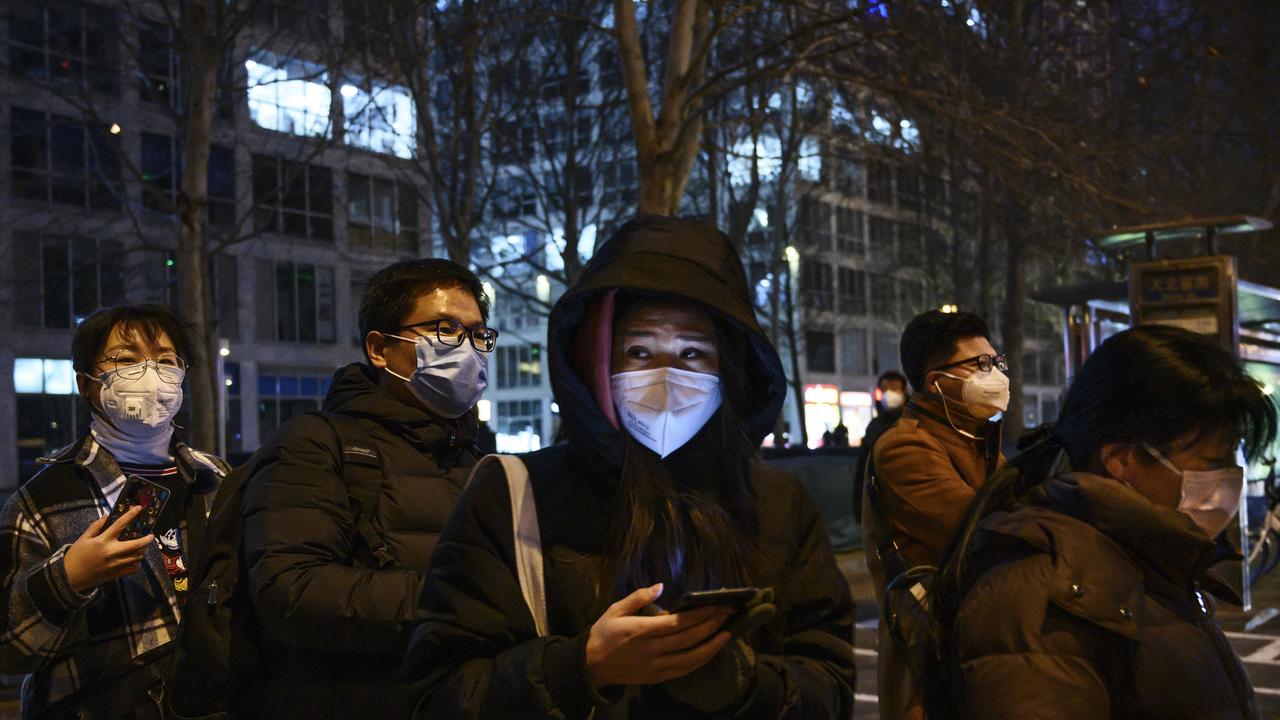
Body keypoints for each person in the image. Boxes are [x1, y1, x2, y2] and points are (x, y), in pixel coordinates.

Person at [404, 215, 856, 718]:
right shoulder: (513, 496)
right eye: (639, 351)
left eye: (692, 353)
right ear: (598, 363)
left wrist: (747, 686)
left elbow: (829, 683)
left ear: (729, 369)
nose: (666, 373)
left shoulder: (778, 504)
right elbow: (438, 693)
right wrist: (581, 668)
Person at [922, 324, 1277, 718]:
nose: (1228, 481)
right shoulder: (1037, 597)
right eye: (1212, 465)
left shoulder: (1154, 563)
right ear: (1121, 459)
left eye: (1233, 462)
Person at [239, 259, 494, 718]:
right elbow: (289, 592)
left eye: (478, 335)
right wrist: (455, 603)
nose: (468, 349)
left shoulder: (477, 464)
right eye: (445, 329)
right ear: (379, 348)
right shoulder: (316, 445)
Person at [0, 305, 227, 717]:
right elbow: (9, 651)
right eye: (125, 359)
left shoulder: (215, 478)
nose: (150, 374)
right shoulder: (42, 501)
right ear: (87, 384)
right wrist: (69, 579)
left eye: (165, 360)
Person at [863, 310, 1007, 720]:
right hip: (932, 663)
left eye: (997, 363)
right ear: (936, 382)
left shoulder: (976, 440)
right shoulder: (905, 448)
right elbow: (985, 533)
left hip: (977, 643)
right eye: (980, 365)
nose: (994, 374)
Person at [852, 370, 909, 522]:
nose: (889, 393)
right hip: (881, 507)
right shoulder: (874, 427)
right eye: (885, 389)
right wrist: (860, 511)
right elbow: (862, 470)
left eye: (894, 389)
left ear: (904, 392)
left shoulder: (915, 422)